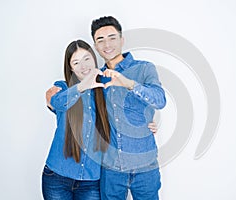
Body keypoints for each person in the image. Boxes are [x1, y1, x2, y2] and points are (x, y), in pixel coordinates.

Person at [91, 16, 166, 200]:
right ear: (95, 45)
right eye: (100, 40)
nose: (107, 44)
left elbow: (160, 101)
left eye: (112, 38)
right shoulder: (96, 78)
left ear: (122, 40)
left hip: (145, 166)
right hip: (111, 168)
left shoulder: (144, 69)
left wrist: (129, 84)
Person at [42, 39, 110, 200]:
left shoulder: (105, 91)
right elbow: (57, 102)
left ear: (94, 59)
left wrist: (148, 122)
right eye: (76, 62)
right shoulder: (62, 87)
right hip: (57, 178)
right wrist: (83, 85)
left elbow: (125, 113)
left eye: (87, 59)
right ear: (70, 68)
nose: (84, 66)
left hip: (91, 182)